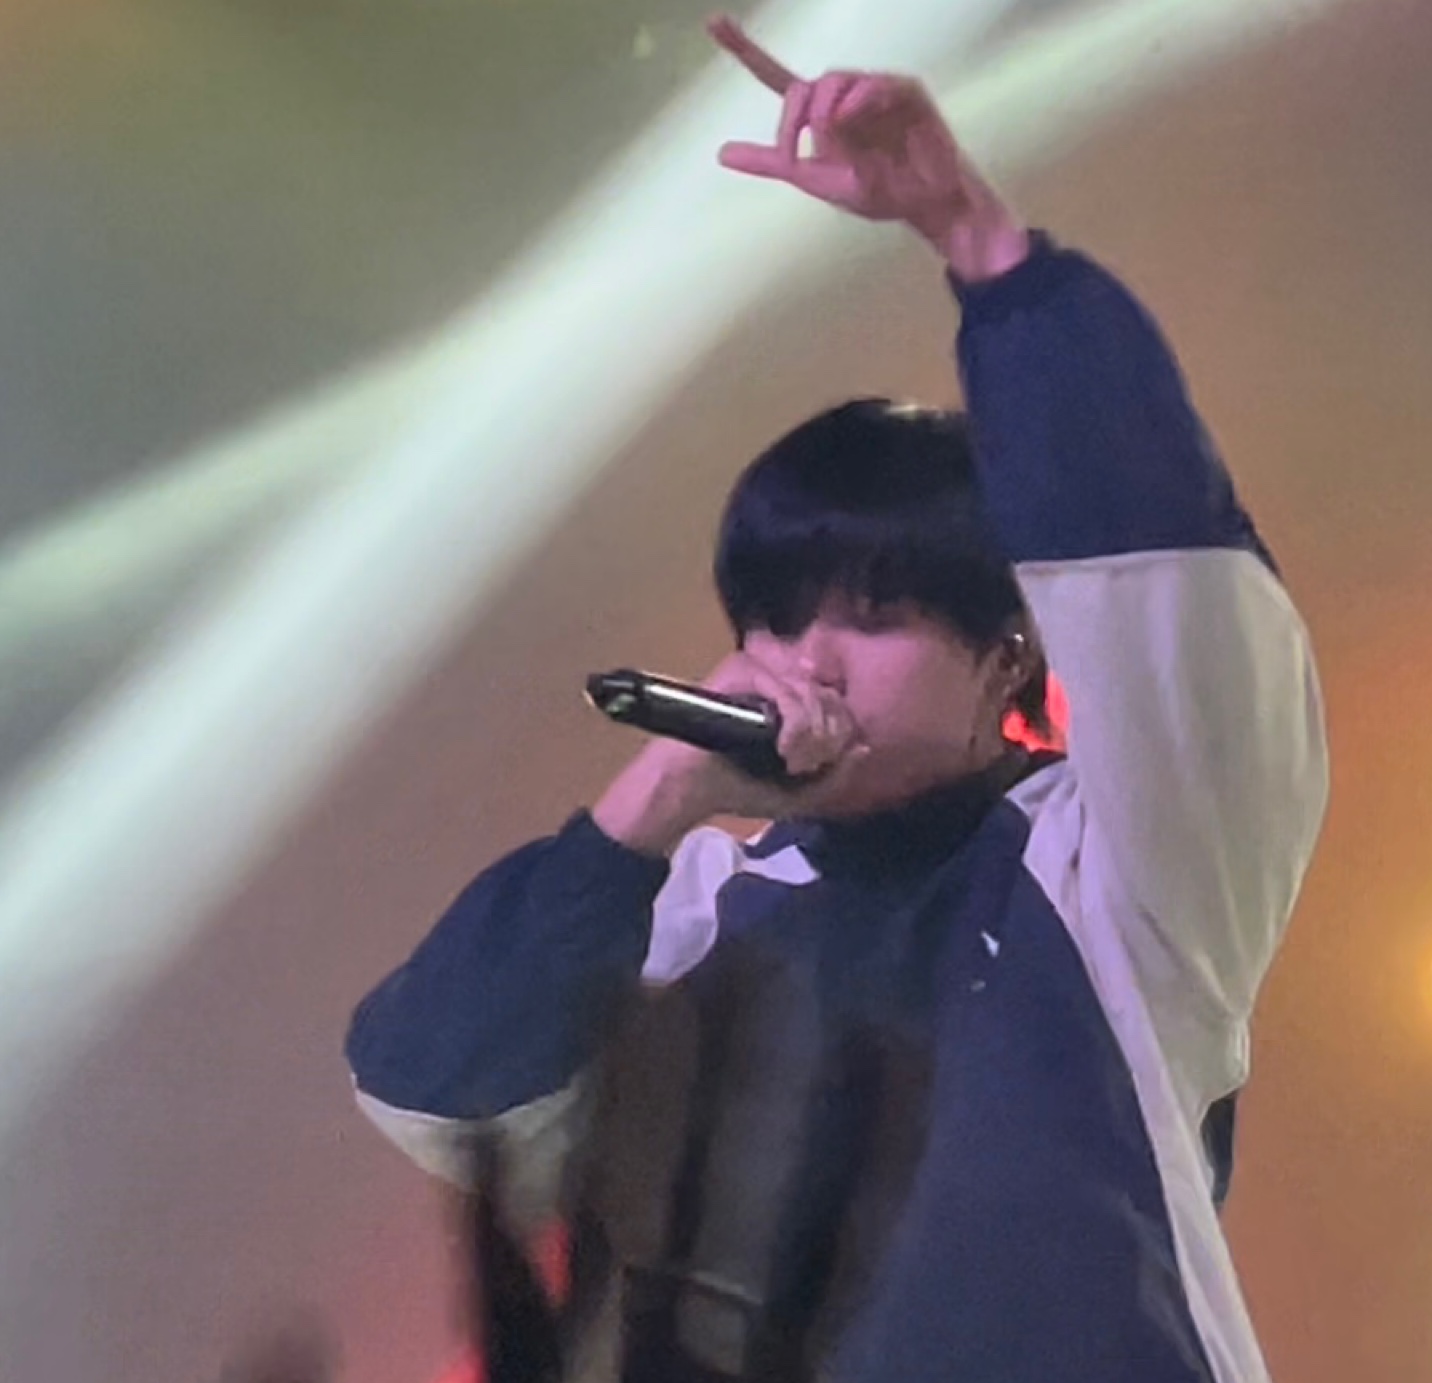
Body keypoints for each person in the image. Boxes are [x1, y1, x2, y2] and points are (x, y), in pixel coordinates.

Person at [348, 18, 1327, 1383]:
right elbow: (433, 1090)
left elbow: (1166, 583)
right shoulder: (695, 915)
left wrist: (980, 245)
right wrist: (657, 800)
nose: (807, 660)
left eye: (873, 618)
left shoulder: (1118, 869)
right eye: (775, 618)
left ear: (1007, 654)